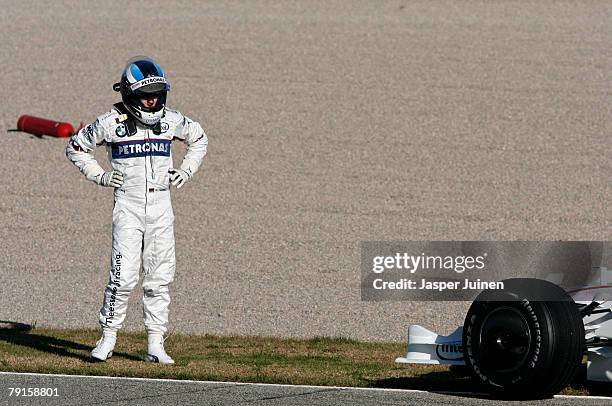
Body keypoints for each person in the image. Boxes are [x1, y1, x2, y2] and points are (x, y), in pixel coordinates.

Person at [66, 56, 208, 364]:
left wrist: (186, 170)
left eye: (156, 92)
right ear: (130, 95)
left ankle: (155, 344)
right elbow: (76, 147)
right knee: (123, 278)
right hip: (128, 209)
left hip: (161, 209)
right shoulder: (109, 123)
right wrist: (100, 175)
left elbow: (199, 139)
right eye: (146, 95)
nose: (152, 99)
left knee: (159, 278)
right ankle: (107, 339)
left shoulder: (171, 120)